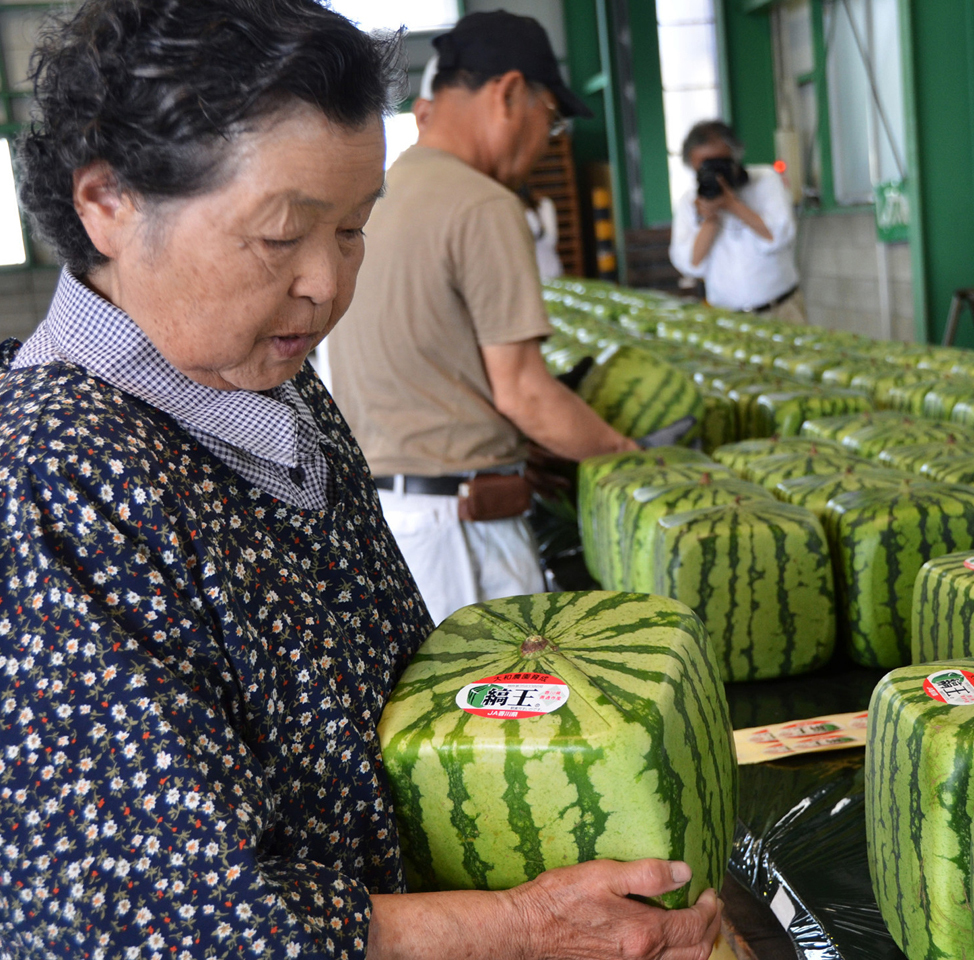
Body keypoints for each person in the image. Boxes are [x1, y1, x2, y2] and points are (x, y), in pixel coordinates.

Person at [0, 2, 720, 958]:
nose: (326, 284)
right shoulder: (53, 479)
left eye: (351, 231)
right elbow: (176, 921)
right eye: (283, 234)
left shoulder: (276, 389)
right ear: (109, 204)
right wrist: (519, 927)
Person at [327, 11, 637, 623]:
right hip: (462, 537)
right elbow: (525, 392)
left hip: (392, 526)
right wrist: (627, 455)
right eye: (550, 119)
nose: (548, 139)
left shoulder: (383, 194)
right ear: (509, 93)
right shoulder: (483, 204)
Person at [669, 121, 803, 322]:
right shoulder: (689, 202)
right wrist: (710, 220)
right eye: (704, 167)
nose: (713, 173)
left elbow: (779, 236)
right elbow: (691, 263)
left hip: (781, 310)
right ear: (692, 164)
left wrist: (732, 204)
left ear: (734, 156)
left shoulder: (765, 180)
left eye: (718, 163)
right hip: (727, 318)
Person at [521, 186, 564, 281]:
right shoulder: (509, 208)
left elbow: (550, 240)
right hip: (525, 274)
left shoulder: (543, 204)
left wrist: (530, 213)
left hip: (548, 270)